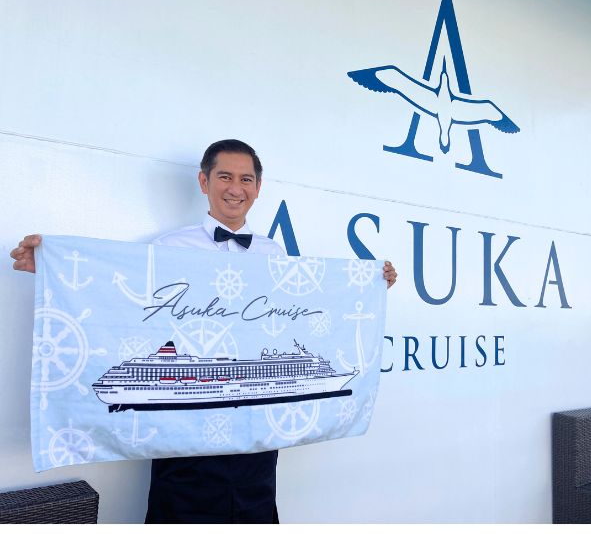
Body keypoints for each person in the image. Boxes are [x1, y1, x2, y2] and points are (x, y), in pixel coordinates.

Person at [11, 138, 398, 523]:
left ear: (258, 188)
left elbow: (305, 313)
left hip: (256, 427)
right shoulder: (169, 247)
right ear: (204, 182)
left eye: (246, 179)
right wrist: (52, 268)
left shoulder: (274, 255)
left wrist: (371, 285)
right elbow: (123, 301)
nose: (236, 188)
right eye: (225, 177)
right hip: (184, 429)